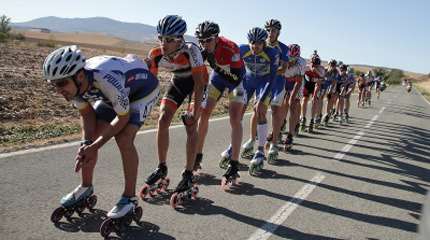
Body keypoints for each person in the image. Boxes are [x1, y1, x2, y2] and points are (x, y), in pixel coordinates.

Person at [44, 45, 159, 221]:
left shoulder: (105, 78)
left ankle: (129, 198)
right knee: (90, 140)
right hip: (113, 95)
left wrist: (95, 145)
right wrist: (86, 145)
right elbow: (87, 115)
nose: (59, 90)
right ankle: (85, 187)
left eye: (61, 84)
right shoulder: (74, 84)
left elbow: (123, 118)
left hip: (142, 91)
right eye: (54, 85)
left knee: (124, 138)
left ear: (79, 76)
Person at [142, 15, 207, 201]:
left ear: (180, 39)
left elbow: (199, 84)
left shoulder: (191, 50)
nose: (164, 43)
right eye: (161, 38)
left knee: (190, 124)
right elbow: (151, 84)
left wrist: (194, 112)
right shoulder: (155, 54)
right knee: (162, 119)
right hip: (178, 82)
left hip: (197, 84)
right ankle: (161, 167)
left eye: (169, 39)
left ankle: (188, 173)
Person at [194, 21, 245, 185]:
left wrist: (215, 64)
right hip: (218, 77)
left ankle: (234, 164)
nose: (204, 44)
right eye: (201, 40)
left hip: (235, 80)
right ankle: (197, 156)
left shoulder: (231, 47)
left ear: (216, 38)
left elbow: (235, 77)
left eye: (208, 40)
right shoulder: (203, 50)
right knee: (204, 112)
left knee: (234, 118)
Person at [239, 27, 279, 176]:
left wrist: (261, 99)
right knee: (238, 112)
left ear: (264, 44)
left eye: (259, 44)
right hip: (248, 81)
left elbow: (272, 77)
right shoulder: (242, 49)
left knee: (260, 110)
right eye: (253, 43)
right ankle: (234, 146)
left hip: (265, 82)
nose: (256, 47)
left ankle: (261, 150)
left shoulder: (272, 53)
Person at [263, 19, 290, 163]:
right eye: (268, 30)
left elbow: (284, 68)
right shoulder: (260, 44)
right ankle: (258, 142)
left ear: (278, 32)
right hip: (263, 83)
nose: (270, 33)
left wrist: (270, 71)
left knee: (275, 112)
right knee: (258, 110)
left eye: (273, 30)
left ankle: (274, 142)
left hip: (278, 84)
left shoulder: (284, 48)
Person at [282, 44, 306, 150]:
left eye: (293, 59)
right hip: (285, 80)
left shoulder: (301, 63)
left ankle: (290, 135)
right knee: (282, 104)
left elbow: (299, 81)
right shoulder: (282, 59)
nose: (290, 61)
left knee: (293, 104)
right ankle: (281, 123)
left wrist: (292, 97)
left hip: (297, 82)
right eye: (289, 58)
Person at [300, 52, 325, 133]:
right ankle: (303, 117)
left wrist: (315, 70)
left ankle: (312, 119)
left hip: (316, 85)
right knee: (304, 99)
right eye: (313, 63)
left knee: (315, 101)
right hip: (307, 85)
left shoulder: (321, 69)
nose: (314, 65)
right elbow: (300, 75)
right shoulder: (306, 67)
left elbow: (321, 80)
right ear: (310, 62)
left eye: (316, 64)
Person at [322, 59, 340, 125]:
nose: (333, 66)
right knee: (324, 98)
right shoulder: (325, 70)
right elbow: (322, 77)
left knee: (330, 99)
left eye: (334, 65)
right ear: (329, 65)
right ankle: (327, 113)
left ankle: (327, 114)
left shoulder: (336, 72)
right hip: (325, 84)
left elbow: (334, 82)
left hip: (333, 85)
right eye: (331, 65)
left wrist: (330, 91)